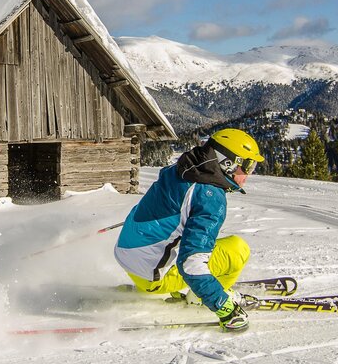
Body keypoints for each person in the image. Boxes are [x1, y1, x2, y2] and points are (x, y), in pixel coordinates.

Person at [113, 128, 264, 331]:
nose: (248, 174)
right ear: (228, 163)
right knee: (237, 249)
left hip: (129, 255)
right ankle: (200, 297)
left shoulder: (181, 169)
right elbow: (191, 264)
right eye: (247, 165)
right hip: (153, 276)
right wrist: (225, 309)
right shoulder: (210, 197)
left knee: (197, 244)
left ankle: (178, 286)